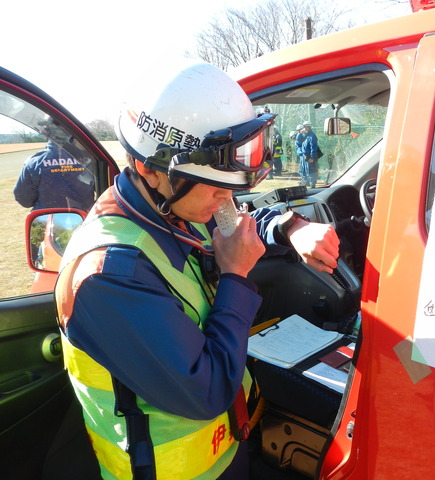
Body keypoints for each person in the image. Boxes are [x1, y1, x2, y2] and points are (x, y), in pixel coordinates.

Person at [54, 62, 340, 480]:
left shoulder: (177, 203)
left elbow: (239, 223)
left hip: (226, 452)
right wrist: (236, 277)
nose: (226, 199)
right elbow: (208, 392)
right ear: (150, 167)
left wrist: (289, 227)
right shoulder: (108, 276)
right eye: (216, 185)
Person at [13, 140, 95, 211]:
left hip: (48, 219)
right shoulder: (90, 159)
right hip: (85, 219)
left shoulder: (34, 162)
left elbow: (24, 200)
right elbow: (104, 191)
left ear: (47, 136)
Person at [301, 121, 320, 188]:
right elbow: (298, 140)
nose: (304, 128)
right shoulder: (305, 135)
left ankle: (312, 185)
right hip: (306, 156)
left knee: (312, 170)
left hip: (310, 156)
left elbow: (313, 147)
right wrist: (300, 133)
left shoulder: (312, 136)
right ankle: (307, 182)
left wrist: (312, 157)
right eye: (304, 127)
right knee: (306, 170)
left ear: (309, 127)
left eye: (305, 127)